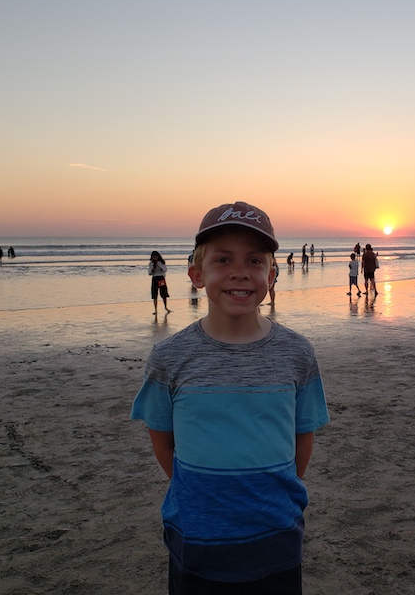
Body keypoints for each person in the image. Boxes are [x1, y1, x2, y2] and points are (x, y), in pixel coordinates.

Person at [132, 201, 329, 594]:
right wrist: (201, 493)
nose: (240, 271)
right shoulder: (169, 357)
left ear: (272, 275)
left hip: (276, 532)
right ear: (196, 274)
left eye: (254, 260)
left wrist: (276, 491)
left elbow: (302, 435)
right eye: (223, 260)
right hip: (197, 535)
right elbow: (161, 437)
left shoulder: (297, 353)